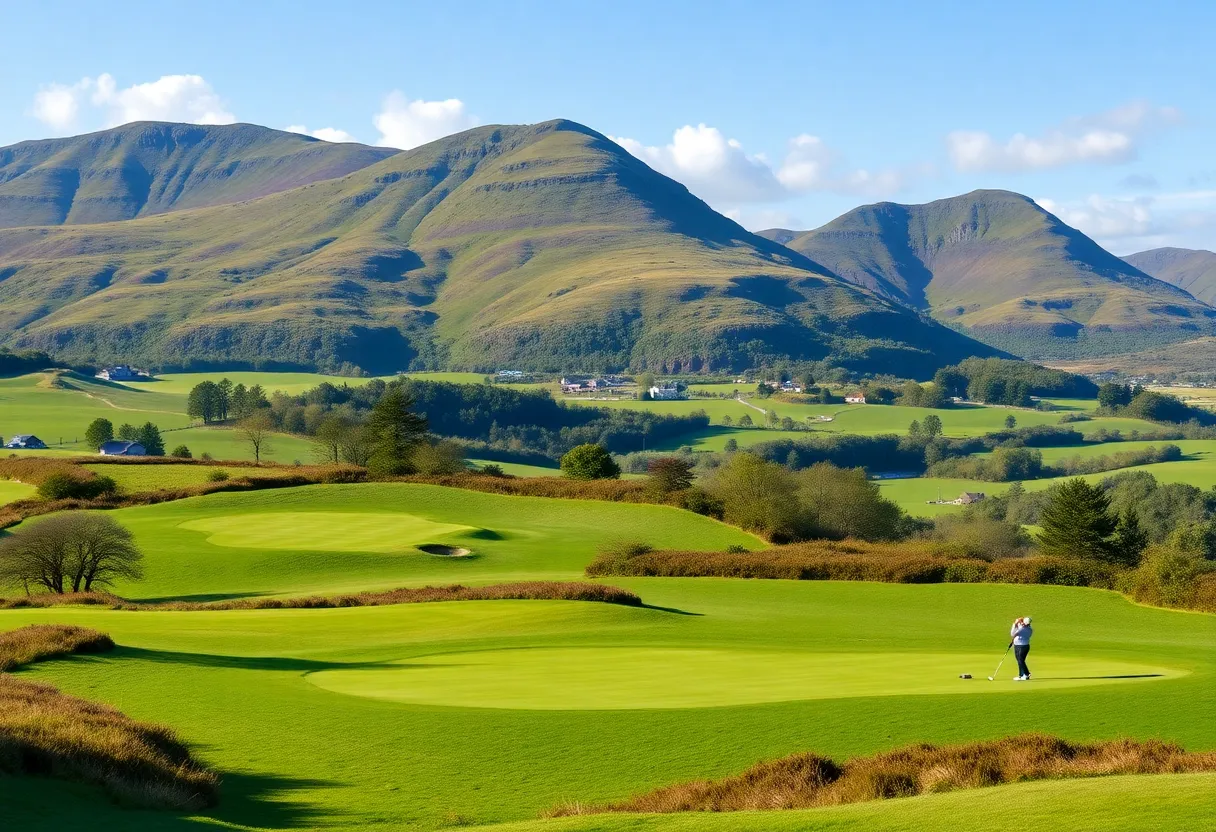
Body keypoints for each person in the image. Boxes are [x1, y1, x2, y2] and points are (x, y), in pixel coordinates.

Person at [1011, 616, 1033, 681]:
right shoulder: (1029, 629)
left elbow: (1013, 634)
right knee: (1020, 661)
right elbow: (1021, 627)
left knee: (1020, 660)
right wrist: (1019, 622)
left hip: (1021, 647)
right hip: (1021, 646)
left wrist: (1015, 624)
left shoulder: (1023, 629)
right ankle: (1021, 676)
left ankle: (1027, 673)